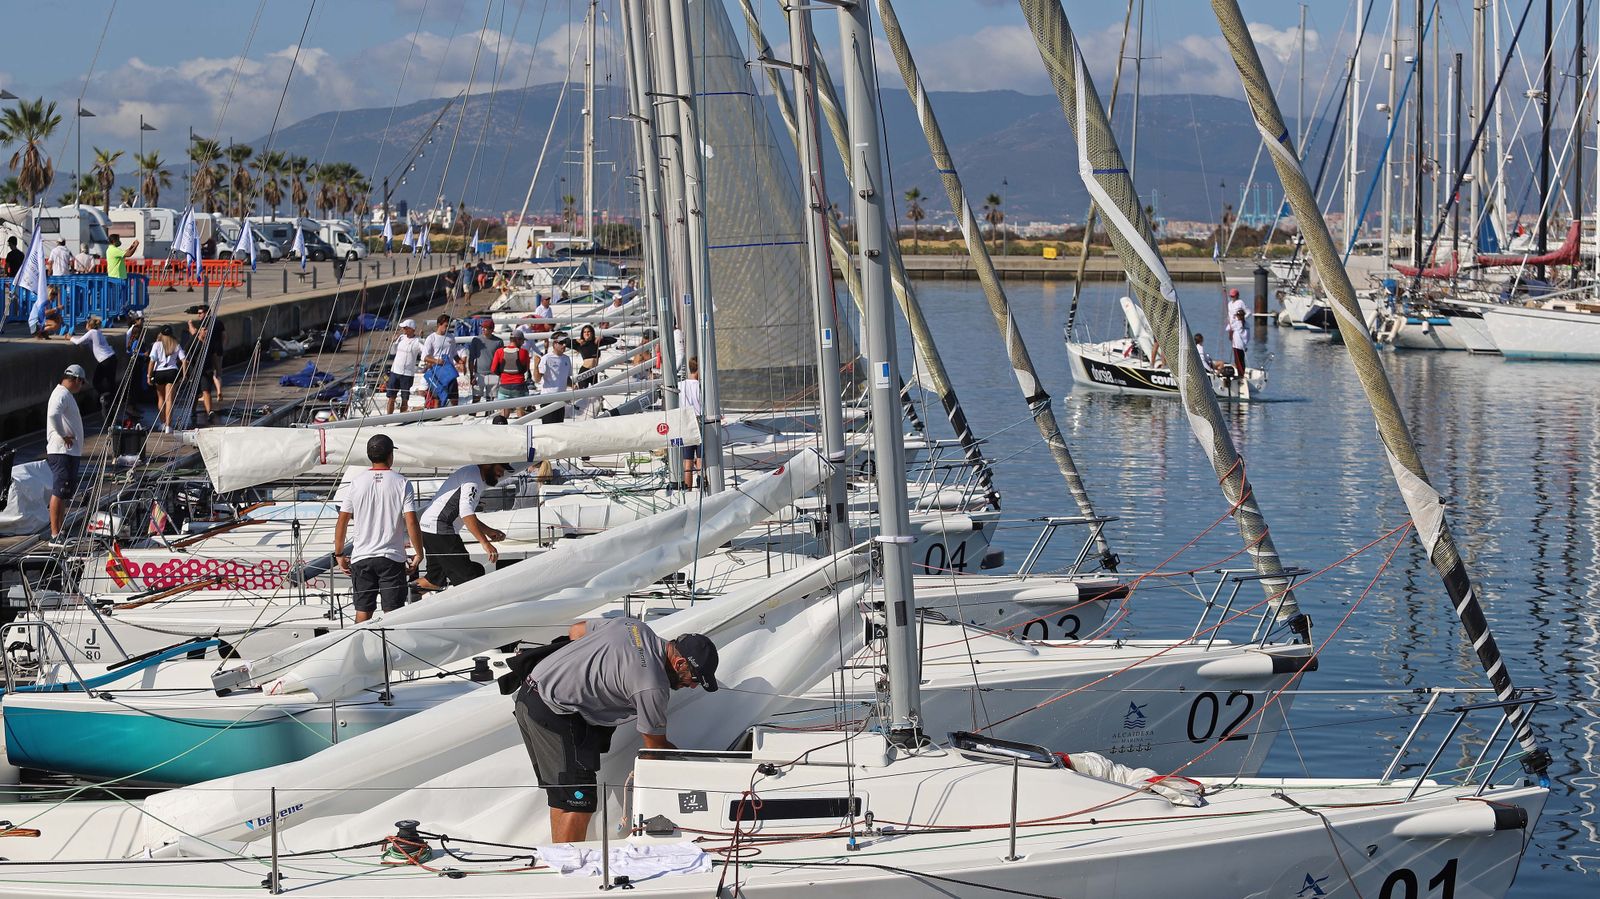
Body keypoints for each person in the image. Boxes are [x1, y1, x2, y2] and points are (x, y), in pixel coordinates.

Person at [514, 616, 720, 843]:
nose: (691, 686)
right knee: (578, 802)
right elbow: (655, 751)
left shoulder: (633, 627)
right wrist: (701, 773)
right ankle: (568, 868)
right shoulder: (652, 686)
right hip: (555, 711)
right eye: (694, 679)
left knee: (563, 796)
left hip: (529, 694)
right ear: (680, 663)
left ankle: (558, 861)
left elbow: (576, 630)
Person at [333, 435, 425, 623]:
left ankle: (360, 649)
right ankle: (390, 651)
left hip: (362, 558)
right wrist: (418, 553)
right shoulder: (402, 483)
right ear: (390, 455)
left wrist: (339, 554)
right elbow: (411, 522)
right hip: (391, 558)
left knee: (363, 613)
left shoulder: (356, 483)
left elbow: (342, 521)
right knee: (393, 614)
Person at [415, 462, 508, 592]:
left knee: (433, 580)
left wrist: (489, 531)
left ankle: (402, 595)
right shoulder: (473, 479)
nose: (502, 474)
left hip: (430, 529)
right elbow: (466, 513)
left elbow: (465, 514)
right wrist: (485, 543)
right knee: (469, 581)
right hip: (441, 530)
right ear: (488, 465)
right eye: (501, 469)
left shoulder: (471, 473)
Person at [45, 365, 88, 544]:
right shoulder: (61, 393)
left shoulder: (65, 394)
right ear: (76, 379)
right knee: (59, 491)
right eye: (82, 382)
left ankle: (60, 533)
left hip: (69, 452)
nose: (82, 386)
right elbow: (53, 415)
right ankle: (54, 535)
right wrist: (63, 434)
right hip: (62, 451)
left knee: (64, 493)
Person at [72, 315, 119, 409]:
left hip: (105, 360)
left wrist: (70, 338)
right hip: (112, 357)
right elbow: (91, 345)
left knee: (96, 382)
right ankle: (113, 402)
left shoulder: (91, 332)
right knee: (111, 382)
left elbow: (77, 341)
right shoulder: (98, 332)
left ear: (89, 325)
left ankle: (105, 397)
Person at [148, 324, 187, 433]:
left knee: (161, 398)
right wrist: (184, 374)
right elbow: (184, 360)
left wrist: (149, 375)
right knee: (169, 400)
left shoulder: (156, 345)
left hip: (159, 373)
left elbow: (152, 361)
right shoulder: (176, 344)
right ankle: (169, 426)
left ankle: (162, 423)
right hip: (172, 372)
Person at [421, 314, 460, 407]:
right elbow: (424, 357)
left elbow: (454, 354)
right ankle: (436, 416)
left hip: (449, 371)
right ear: (439, 324)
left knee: (454, 397)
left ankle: (455, 416)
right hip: (437, 371)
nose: (447, 328)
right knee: (437, 397)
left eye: (449, 326)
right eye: (446, 326)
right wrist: (436, 361)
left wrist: (460, 362)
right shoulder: (431, 338)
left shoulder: (451, 337)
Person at [386, 319, 424, 414]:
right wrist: (393, 342)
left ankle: (402, 417)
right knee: (391, 397)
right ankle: (387, 418)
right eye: (403, 328)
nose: (403, 329)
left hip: (407, 374)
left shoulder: (417, 341)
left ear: (411, 329)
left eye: (405, 328)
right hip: (395, 371)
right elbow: (392, 352)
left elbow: (425, 352)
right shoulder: (401, 338)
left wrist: (423, 338)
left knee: (405, 399)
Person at [492, 330, 532, 414]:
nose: (523, 343)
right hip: (519, 386)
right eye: (522, 340)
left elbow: (493, 369)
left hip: (504, 386)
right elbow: (526, 369)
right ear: (518, 340)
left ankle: (502, 425)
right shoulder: (524, 352)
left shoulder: (499, 351)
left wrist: (503, 374)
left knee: (503, 415)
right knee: (521, 414)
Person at [536, 333, 573, 423]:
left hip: (561, 399)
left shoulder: (567, 359)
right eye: (561, 342)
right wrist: (536, 365)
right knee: (548, 427)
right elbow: (537, 379)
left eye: (566, 342)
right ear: (554, 344)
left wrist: (573, 385)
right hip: (548, 399)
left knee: (559, 428)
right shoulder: (546, 358)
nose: (564, 345)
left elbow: (566, 378)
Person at [680, 356, 703, 490]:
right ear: (699, 370)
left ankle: (688, 489)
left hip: (686, 424)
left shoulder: (680, 385)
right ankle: (701, 488)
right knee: (700, 460)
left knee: (687, 463)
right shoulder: (700, 386)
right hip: (699, 423)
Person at [468, 318, 504, 404]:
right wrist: (471, 375)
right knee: (476, 398)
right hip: (479, 373)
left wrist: (501, 374)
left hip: (493, 374)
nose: (483, 329)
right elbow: (471, 359)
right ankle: (472, 415)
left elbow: (501, 360)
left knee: (490, 400)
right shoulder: (476, 340)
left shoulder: (499, 342)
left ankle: (489, 416)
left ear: (492, 330)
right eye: (482, 327)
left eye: (485, 328)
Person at [1227, 308, 1249, 374]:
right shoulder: (1247, 324)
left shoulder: (1237, 323)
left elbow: (1228, 328)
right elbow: (1248, 336)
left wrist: (1231, 321)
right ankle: (1242, 373)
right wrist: (1245, 344)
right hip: (1243, 345)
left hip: (1237, 345)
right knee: (1242, 360)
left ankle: (1241, 374)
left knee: (1238, 361)